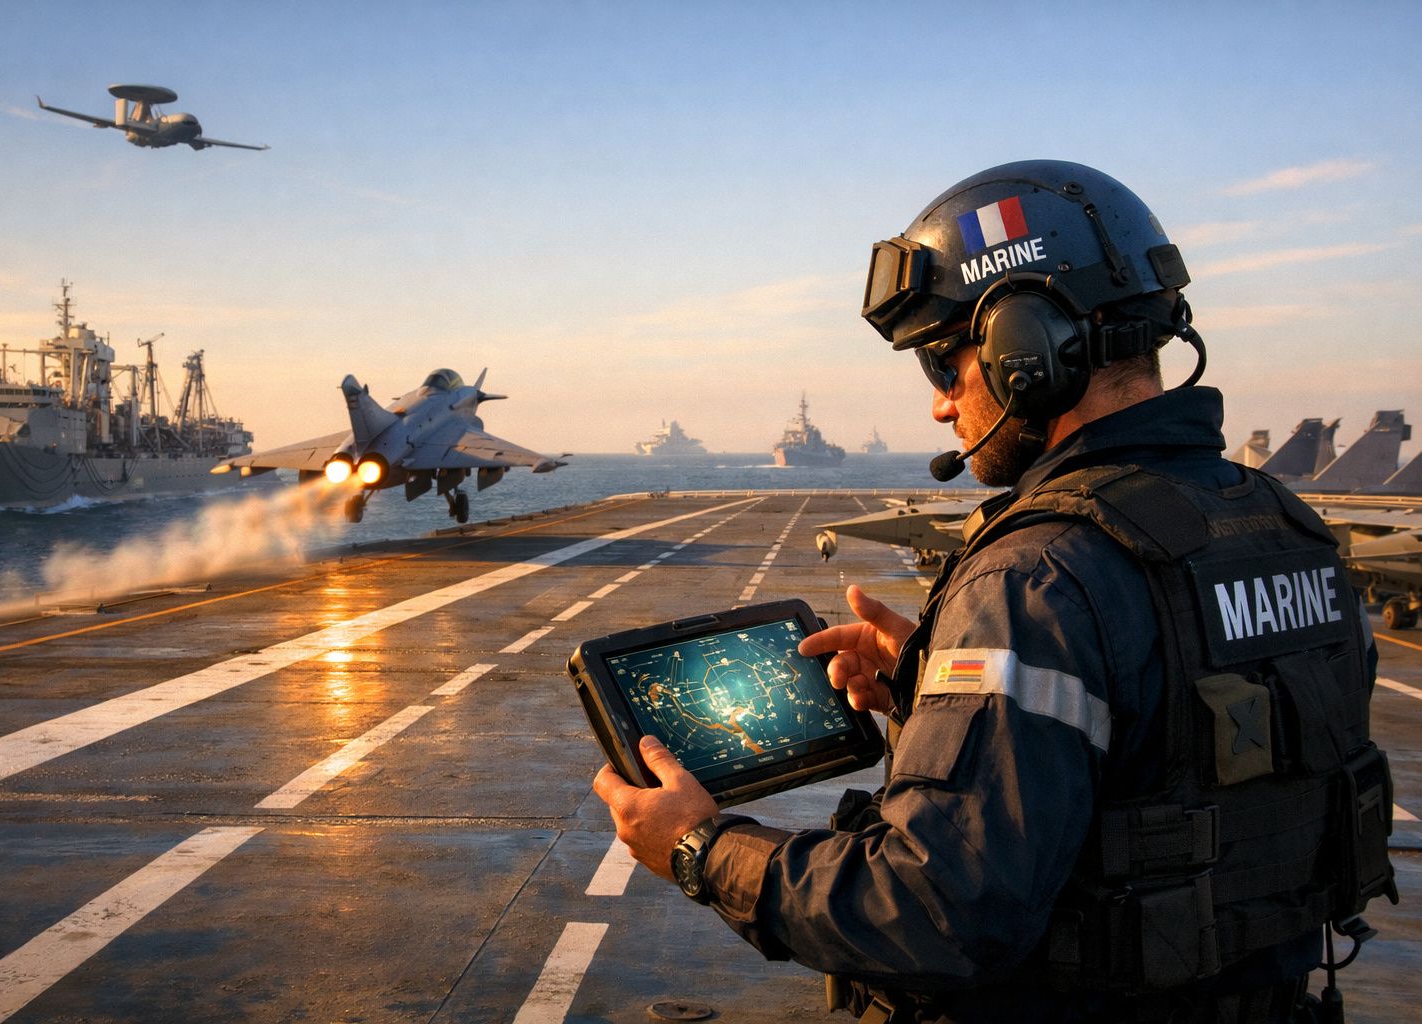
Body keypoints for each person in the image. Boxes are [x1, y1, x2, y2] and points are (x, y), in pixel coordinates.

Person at [593, 160, 1395, 1023]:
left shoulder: (1038, 574)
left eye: (945, 365)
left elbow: (935, 911)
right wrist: (929, 682)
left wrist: (701, 848)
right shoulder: (1281, 523)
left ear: (1028, 352)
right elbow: (1177, 747)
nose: (941, 409)